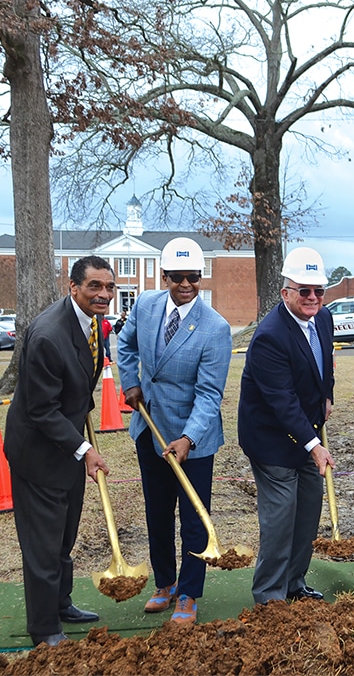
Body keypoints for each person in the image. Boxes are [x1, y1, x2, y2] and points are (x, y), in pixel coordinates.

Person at [118, 237, 232, 625]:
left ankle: (188, 593)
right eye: (178, 277)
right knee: (158, 512)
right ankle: (165, 583)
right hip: (149, 430)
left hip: (191, 440)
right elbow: (126, 344)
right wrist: (130, 381)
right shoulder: (146, 307)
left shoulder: (214, 328)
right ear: (164, 275)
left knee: (194, 519)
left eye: (194, 277)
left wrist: (188, 438)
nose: (186, 284)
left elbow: (209, 391)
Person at [4, 256, 113, 647]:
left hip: (66, 445)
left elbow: (80, 384)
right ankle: (45, 628)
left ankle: (61, 603)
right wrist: (85, 450)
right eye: (94, 287)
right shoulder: (49, 333)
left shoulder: (93, 325)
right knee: (44, 545)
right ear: (73, 287)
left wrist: (80, 433)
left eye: (108, 287)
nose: (103, 294)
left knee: (64, 536)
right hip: (38, 453)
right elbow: (40, 409)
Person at [238, 246, 336, 604]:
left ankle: (294, 583)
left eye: (319, 291)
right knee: (280, 518)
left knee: (308, 512)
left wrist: (327, 397)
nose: (313, 298)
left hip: (307, 432)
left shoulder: (323, 319)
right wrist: (314, 446)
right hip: (272, 440)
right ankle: (269, 594)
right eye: (304, 291)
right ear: (286, 293)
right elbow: (282, 402)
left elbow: (325, 367)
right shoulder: (269, 336)